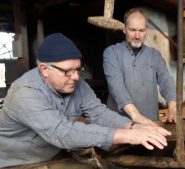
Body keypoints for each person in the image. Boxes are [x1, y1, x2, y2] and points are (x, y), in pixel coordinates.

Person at [0, 33, 171, 168]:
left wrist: (134, 126)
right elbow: (62, 132)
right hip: (17, 164)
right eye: (68, 71)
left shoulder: (77, 84)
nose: (75, 77)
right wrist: (127, 135)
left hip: (54, 157)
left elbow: (99, 113)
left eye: (78, 69)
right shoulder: (25, 93)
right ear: (45, 69)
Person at [103, 8, 176, 124]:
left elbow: (166, 81)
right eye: (132, 30)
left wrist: (173, 107)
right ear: (124, 29)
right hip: (119, 124)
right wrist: (135, 114)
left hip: (150, 123)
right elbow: (116, 87)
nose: (137, 36)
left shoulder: (155, 55)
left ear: (146, 30)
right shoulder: (111, 53)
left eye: (141, 30)